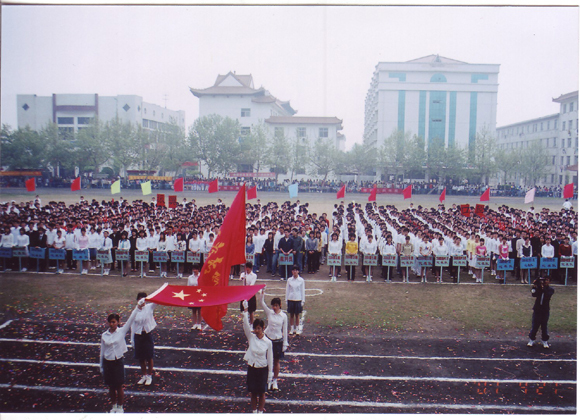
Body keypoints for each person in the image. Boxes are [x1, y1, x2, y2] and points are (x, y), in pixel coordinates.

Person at [100, 300, 144, 413]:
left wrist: (138, 306)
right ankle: (113, 406)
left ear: (118, 322)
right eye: (110, 322)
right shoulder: (104, 335)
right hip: (107, 362)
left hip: (117, 361)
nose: (112, 324)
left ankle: (120, 406)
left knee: (119, 386)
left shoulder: (121, 331)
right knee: (111, 386)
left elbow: (130, 319)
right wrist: (101, 366)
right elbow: (102, 351)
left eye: (114, 322)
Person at [241, 299, 273, 414]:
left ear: (263, 328)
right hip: (252, 368)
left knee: (262, 393)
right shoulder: (251, 338)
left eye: (259, 328)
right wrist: (245, 311)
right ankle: (254, 411)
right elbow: (245, 325)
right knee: (253, 392)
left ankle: (260, 412)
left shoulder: (268, 342)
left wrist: (270, 375)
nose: (257, 330)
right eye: (256, 328)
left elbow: (270, 360)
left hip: (262, 369)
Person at [259, 288, 288, 391]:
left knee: (276, 361)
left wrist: (285, 343)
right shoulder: (269, 313)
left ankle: (275, 380)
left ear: (280, 305)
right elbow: (262, 303)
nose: (274, 307)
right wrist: (263, 292)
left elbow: (284, 329)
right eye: (273, 305)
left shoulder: (283, 316)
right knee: (266, 360)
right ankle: (268, 379)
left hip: (278, 340)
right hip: (268, 339)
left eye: (276, 305)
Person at [131, 292, 157, 386]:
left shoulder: (149, 307)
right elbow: (132, 326)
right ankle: (144, 375)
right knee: (141, 357)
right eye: (140, 299)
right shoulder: (135, 310)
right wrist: (132, 340)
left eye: (144, 300)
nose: (142, 302)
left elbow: (157, 300)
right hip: (138, 335)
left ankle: (149, 375)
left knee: (149, 356)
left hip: (147, 334)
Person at [527, 276, 555, 349]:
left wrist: (542, 287)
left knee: (544, 326)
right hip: (537, 309)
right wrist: (535, 286)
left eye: (547, 280)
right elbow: (534, 294)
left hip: (545, 310)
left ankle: (544, 340)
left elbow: (547, 295)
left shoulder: (550, 289)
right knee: (535, 325)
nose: (545, 282)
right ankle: (532, 339)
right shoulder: (539, 288)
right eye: (544, 280)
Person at [285, 265, 305, 335]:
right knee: (291, 315)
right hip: (291, 298)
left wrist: (302, 300)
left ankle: (297, 329)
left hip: (298, 299)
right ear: (292, 271)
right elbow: (287, 290)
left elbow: (302, 291)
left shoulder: (301, 280)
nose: (294, 272)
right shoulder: (289, 280)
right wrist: (286, 300)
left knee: (297, 315)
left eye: (296, 270)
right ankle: (291, 329)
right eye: (293, 270)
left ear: (298, 271)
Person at [187, 264, 203, 330]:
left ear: (198, 270)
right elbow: (188, 286)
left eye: (196, 269)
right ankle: (194, 323)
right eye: (193, 269)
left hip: (199, 295)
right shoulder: (190, 277)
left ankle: (199, 324)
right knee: (194, 310)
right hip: (193, 295)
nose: (194, 270)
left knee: (199, 310)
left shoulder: (201, 276)